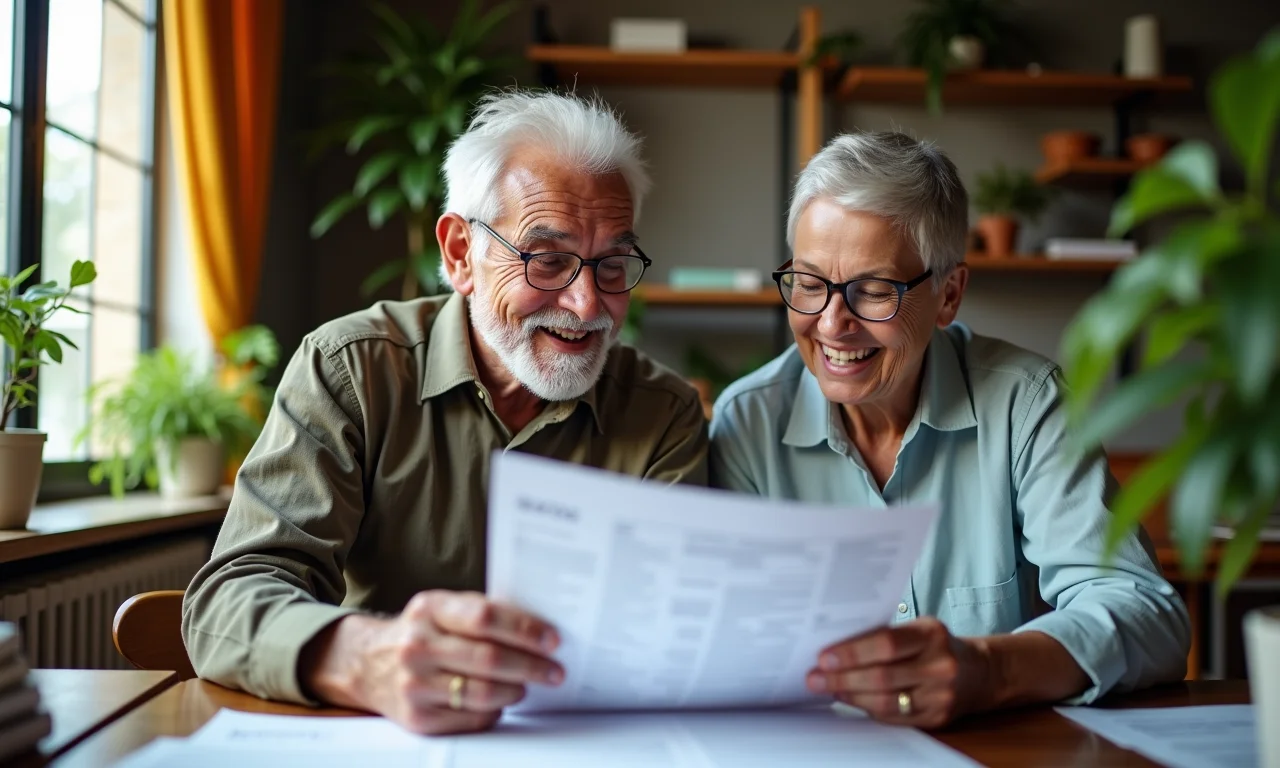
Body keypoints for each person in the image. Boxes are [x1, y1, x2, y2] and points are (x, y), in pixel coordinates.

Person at [182, 90, 708, 735]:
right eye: (547, 259)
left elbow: (678, 629)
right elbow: (231, 594)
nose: (587, 304)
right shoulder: (351, 370)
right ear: (461, 253)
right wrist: (365, 658)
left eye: (614, 264)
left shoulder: (665, 415)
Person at [709, 132, 1190, 728]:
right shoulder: (747, 423)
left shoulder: (1025, 403)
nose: (832, 324)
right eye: (809, 284)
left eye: (875, 291)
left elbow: (1148, 613)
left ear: (948, 295)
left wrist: (990, 671)